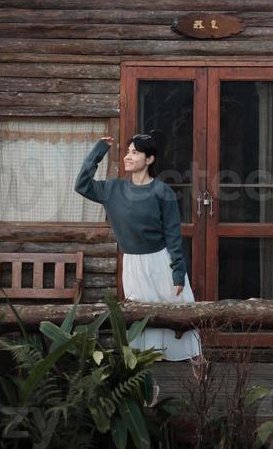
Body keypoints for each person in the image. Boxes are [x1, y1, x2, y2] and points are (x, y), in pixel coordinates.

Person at [74, 130, 204, 368]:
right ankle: (145, 380)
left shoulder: (162, 191)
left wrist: (178, 272)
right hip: (133, 265)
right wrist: (98, 151)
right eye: (127, 151)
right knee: (139, 320)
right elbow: (82, 184)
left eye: (135, 152)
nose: (128, 156)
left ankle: (197, 361)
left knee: (178, 313)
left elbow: (173, 236)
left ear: (150, 159)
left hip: (161, 263)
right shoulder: (112, 190)